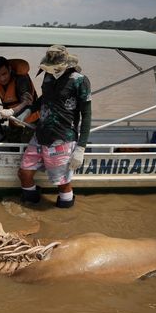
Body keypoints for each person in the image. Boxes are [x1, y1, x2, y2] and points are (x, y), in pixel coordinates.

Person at [17, 45, 91, 208]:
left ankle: (65, 212)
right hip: (40, 134)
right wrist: (27, 111)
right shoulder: (48, 77)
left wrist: (81, 148)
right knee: (24, 172)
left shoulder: (79, 81)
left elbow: (87, 116)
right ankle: (32, 205)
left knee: (62, 182)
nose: (50, 71)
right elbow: (43, 98)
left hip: (62, 139)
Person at [0, 56, 39, 143]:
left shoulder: (21, 78)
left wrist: (12, 111)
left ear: (10, 69)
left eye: (4, 74)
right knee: (12, 143)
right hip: (13, 119)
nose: (2, 79)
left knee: (27, 144)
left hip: (31, 118)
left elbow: (27, 101)